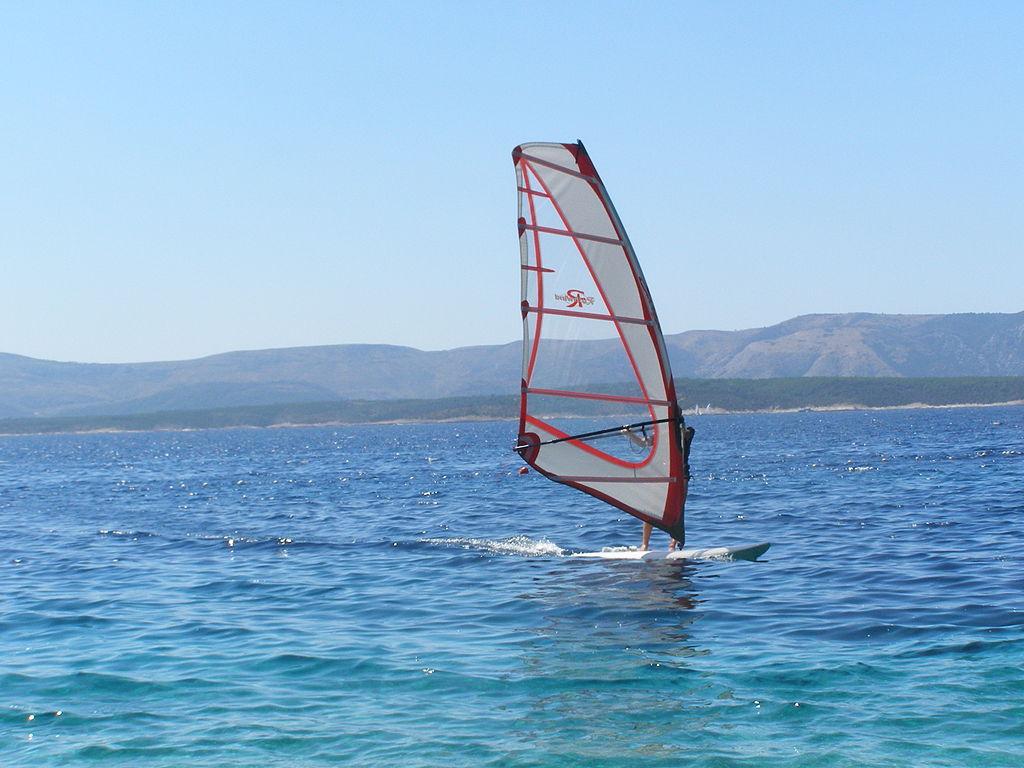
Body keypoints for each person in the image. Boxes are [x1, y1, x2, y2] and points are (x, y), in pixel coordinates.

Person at [638, 421, 695, 551]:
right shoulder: (661, 436)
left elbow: (683, 433)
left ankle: (672, 545)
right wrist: (628, 434)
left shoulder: (688, 431)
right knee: (650, 509)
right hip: (662, 476)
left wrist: (674, 424)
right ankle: (645, 544)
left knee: (678, 510)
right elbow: (643, 443)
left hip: (681, 477)